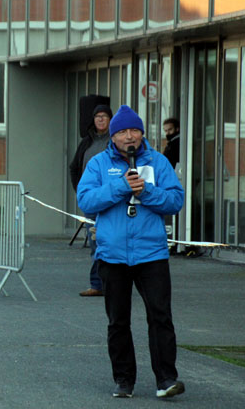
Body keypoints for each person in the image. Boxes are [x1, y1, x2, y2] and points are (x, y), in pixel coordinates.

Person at [77, 105, 185, 399]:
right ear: (113, 136)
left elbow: (176, 200)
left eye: (134, 130)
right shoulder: (99, 164)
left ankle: (166, 379)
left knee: (160, 317)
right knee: (118, 320)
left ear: (141, 133)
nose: (129, 136)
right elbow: (86, 200)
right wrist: (121, 187)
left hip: (152, 254)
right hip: (113, 255)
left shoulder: (158, 162)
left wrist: (146, 192)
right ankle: (124, 380)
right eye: (122, 131)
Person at [69, 104, 113, 297]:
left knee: (111, 241)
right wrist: (81, 192)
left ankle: (115, 283)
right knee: (95, 242)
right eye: (97, 117)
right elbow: (74, 167)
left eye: (104, 116)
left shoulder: (115, 140)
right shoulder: (87, 142)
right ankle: (97, 284)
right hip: (91, 201)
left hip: (112, 199)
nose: (100, 120)